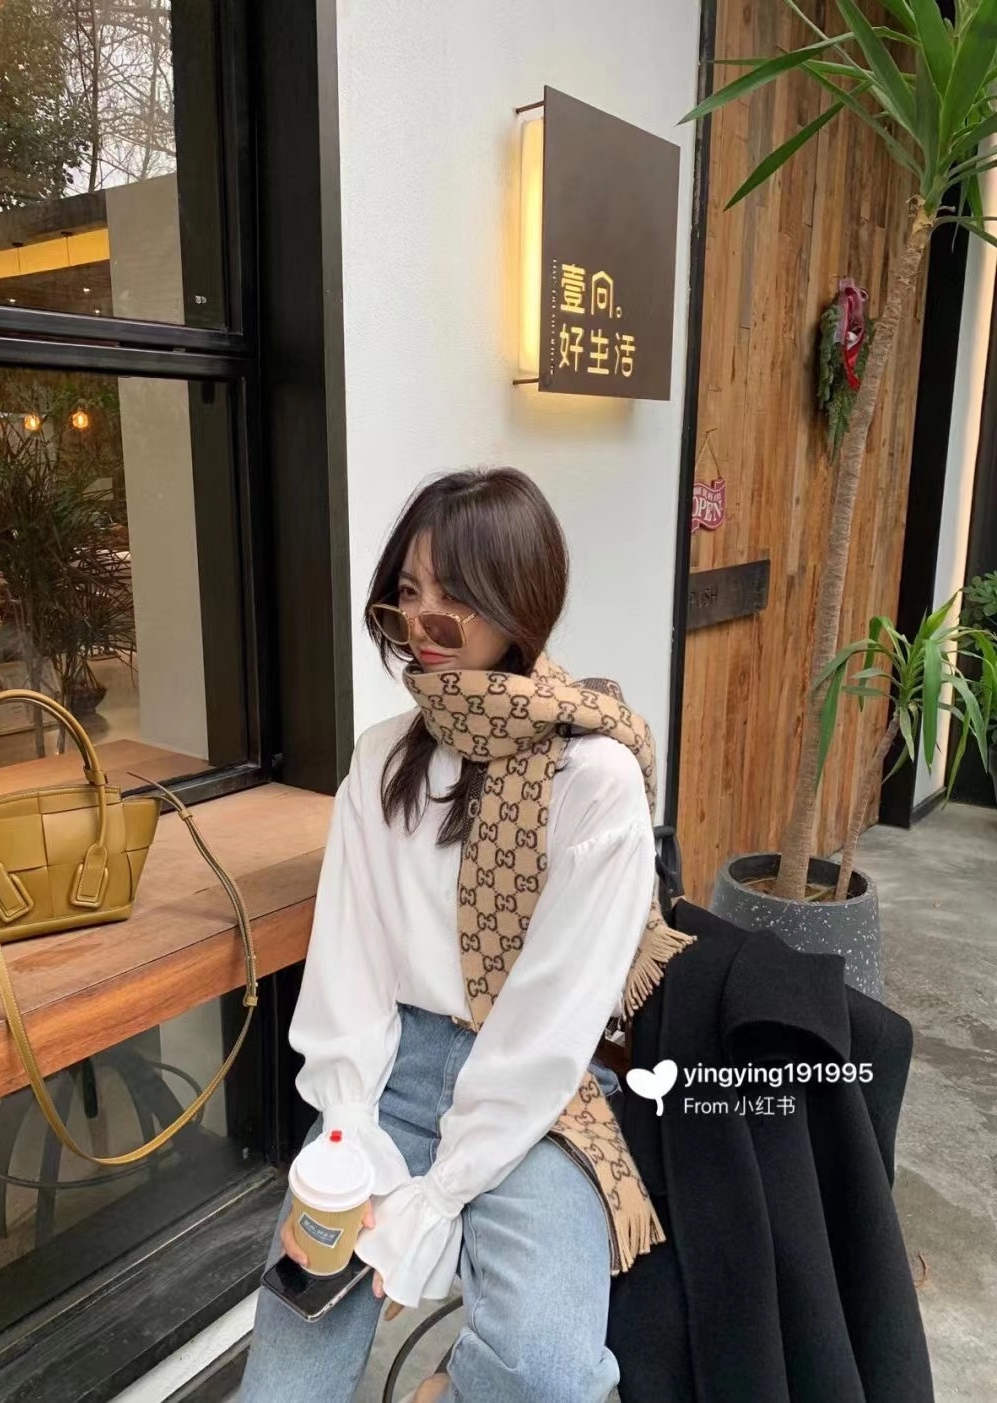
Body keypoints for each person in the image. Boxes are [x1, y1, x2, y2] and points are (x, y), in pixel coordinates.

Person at [239, 467, 660, 1403]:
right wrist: (348, 1130)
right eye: (406, 597)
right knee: (281, 1386)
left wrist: (435, 1198)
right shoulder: (383, 758)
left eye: (452, 599)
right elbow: (350, 968)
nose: (420, 629)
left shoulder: (596, 781)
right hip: (385, 1074)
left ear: (521, 603)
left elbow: (550, 1024)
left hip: (538, 1095)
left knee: (544, 1373)